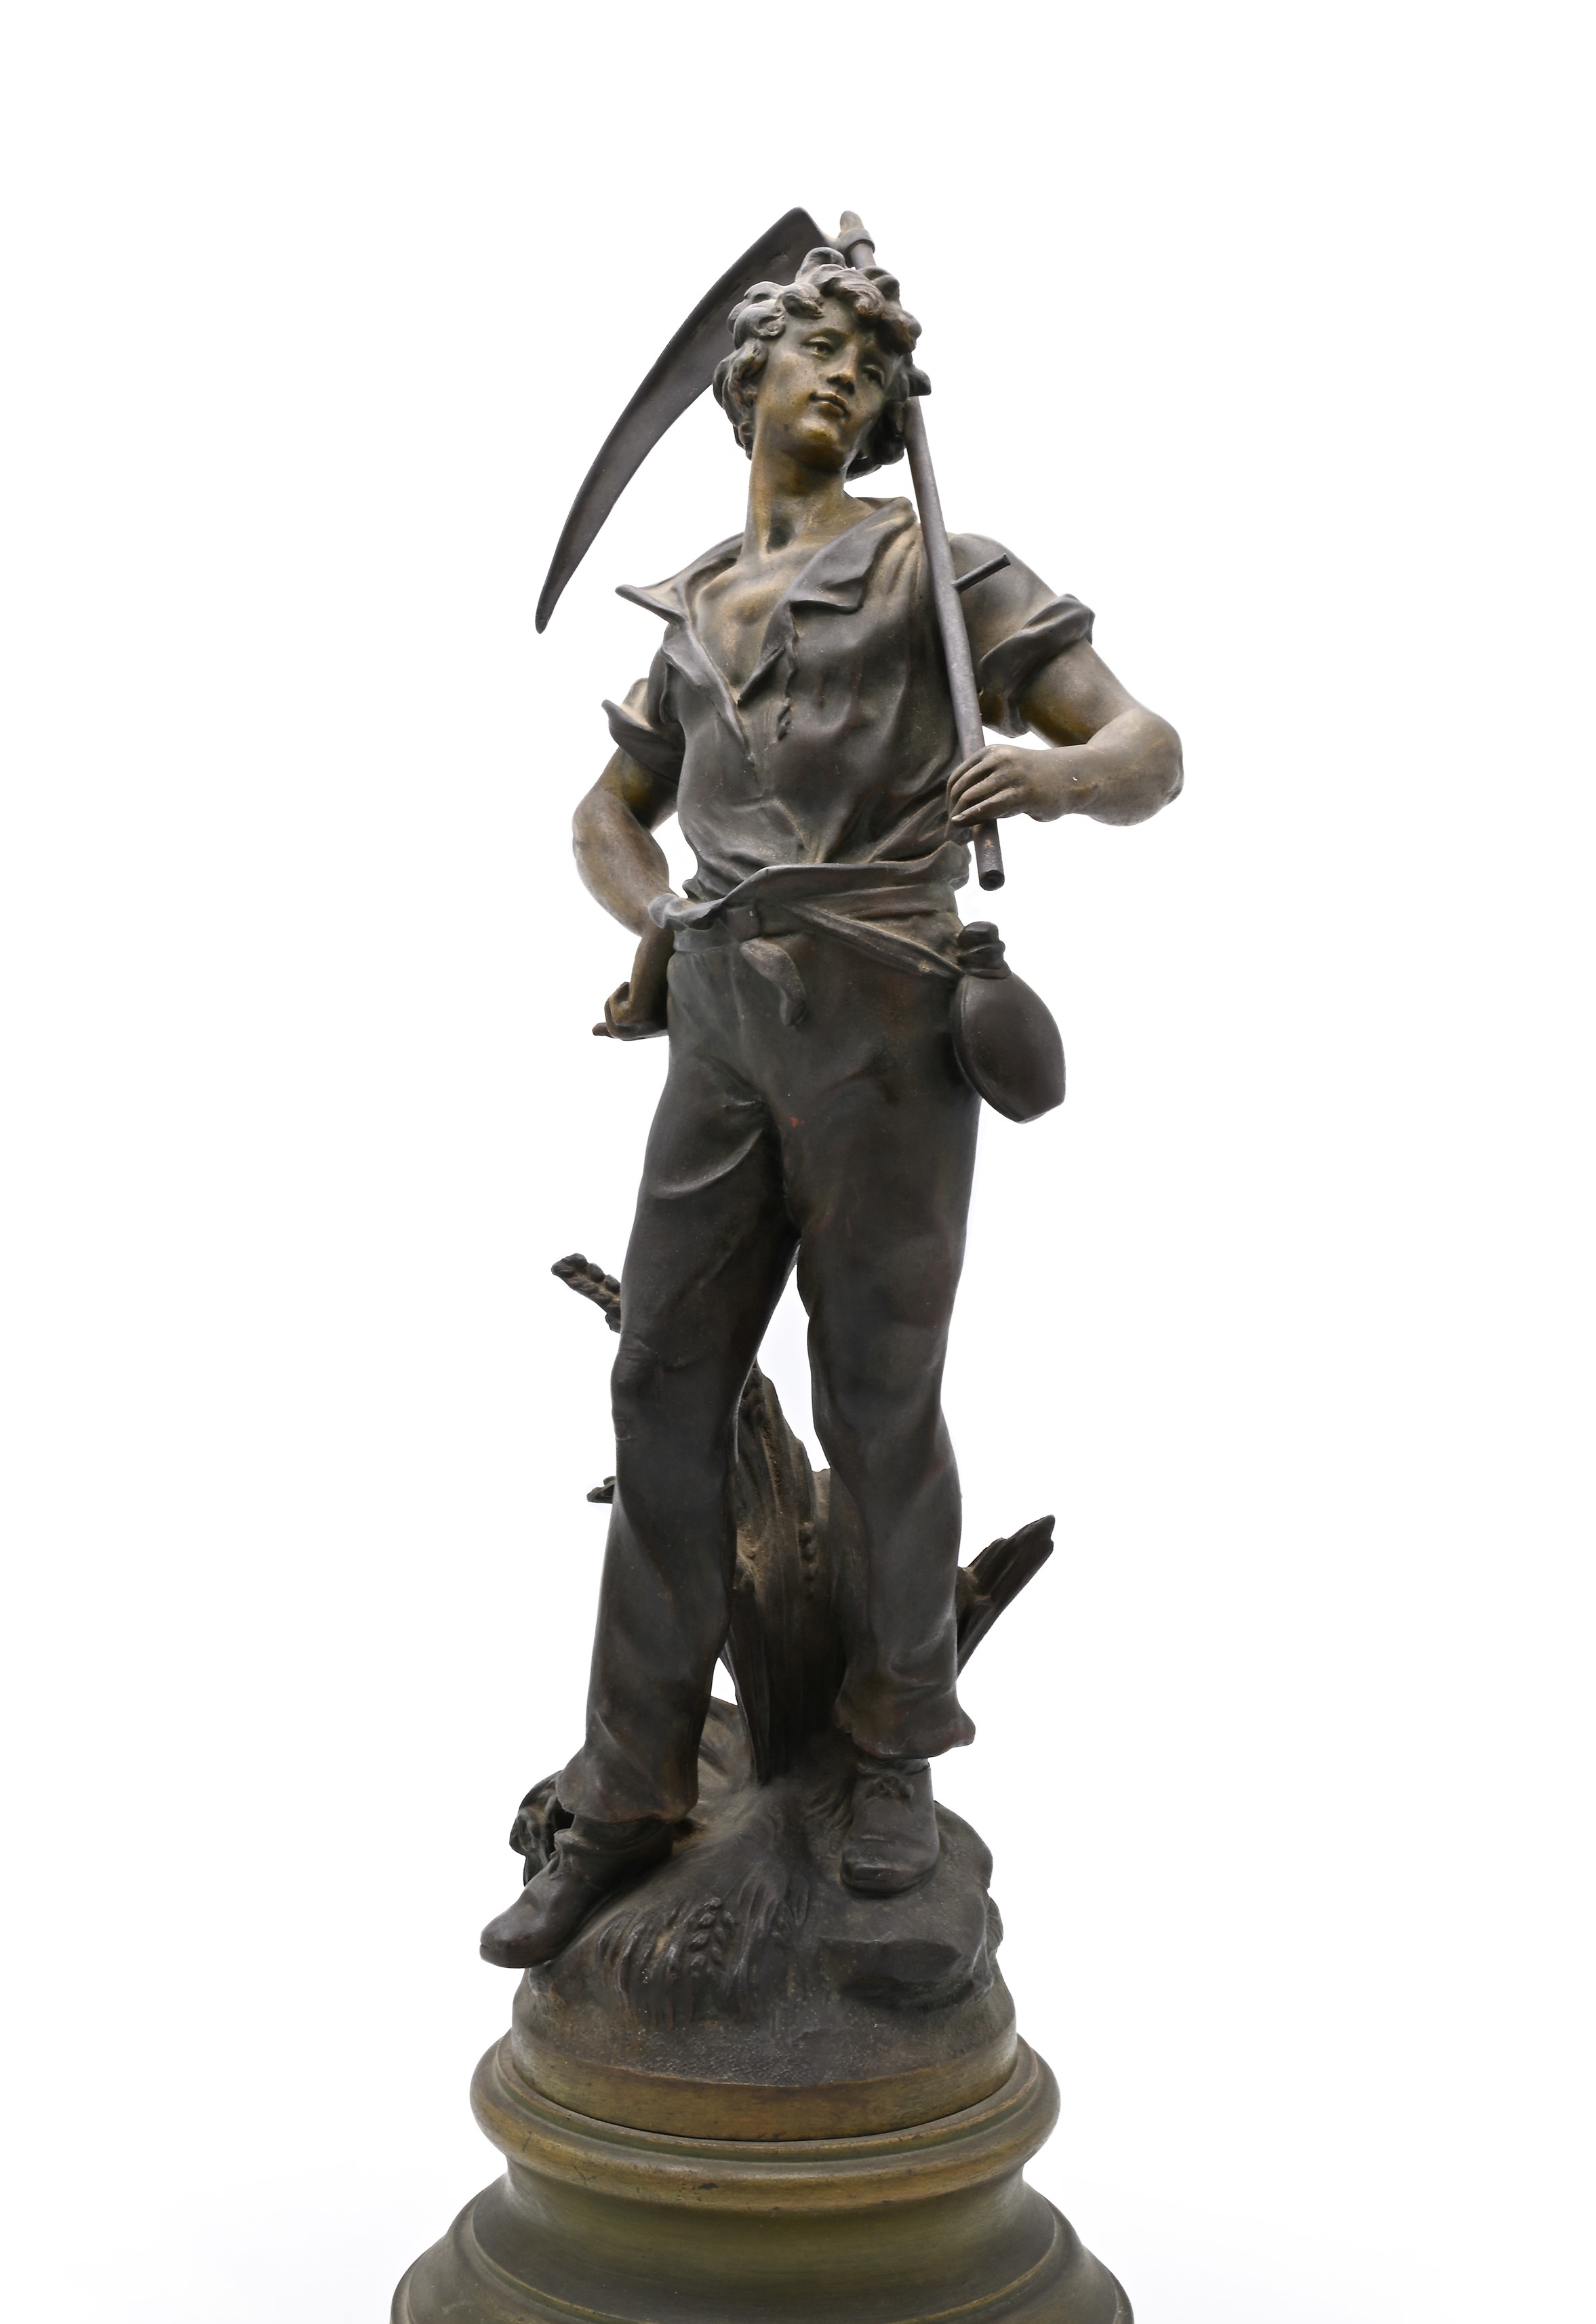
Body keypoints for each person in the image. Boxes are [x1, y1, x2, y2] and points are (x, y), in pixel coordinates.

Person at [485, 246, 1181, 1967]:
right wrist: (659, 919)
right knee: (659, 1380)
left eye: (869, 365)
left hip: (888, 1022)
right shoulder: (693, 606)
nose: (842, 378)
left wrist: (1057, 774)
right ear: (745, 385)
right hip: (722, 1029)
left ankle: (891, 1747)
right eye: (812, 348)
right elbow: (605, 811)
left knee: (879, 1396)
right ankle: (627, 1784)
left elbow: (1150, 749)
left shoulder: (944, 572)